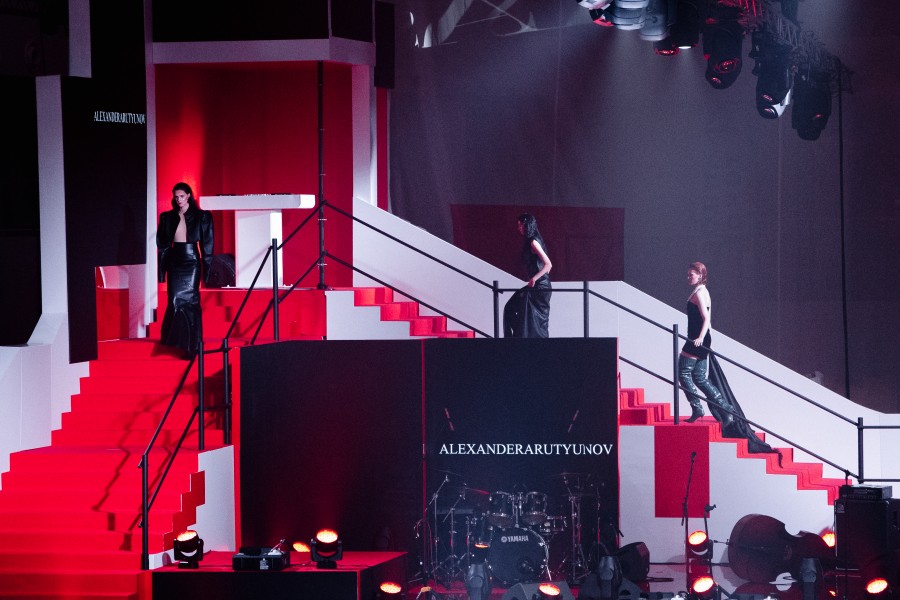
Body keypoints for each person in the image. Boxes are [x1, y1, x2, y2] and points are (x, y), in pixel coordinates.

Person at [156, 182, 213, 359]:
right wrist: (161, 272)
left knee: (191, 301)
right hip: (175, 261)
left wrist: (207, 272)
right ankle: (179, 341)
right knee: (174, 300)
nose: (179, 199)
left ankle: (192, 346)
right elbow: (163, 246)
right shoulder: (167, 217)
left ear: (188, 195)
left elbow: (208, 245)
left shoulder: (202, 216)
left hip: (191, 261)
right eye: (176, 197)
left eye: (182, 196)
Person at [679, 262, 733, 424]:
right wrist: (707, 338)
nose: (688, 277)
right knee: (699, 377)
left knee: (683, 373)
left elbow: (706, 317)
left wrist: (701, 338)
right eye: (688, 274)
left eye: (691, 274)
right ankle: (725, 408)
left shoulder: (699, 293)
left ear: (700, 275)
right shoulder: (702, 291)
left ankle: (698, 408)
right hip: (701, 338)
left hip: (697, 339)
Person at [503, 213, 552, 338]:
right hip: (537, 286)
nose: (518, 228)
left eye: (520, 225)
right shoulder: (530, 241)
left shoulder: (533, 242)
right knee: (512, 308)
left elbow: (548, 265)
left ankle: (520, 338)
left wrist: (534, 279)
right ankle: (518, 338)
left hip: (540, 287)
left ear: (526, 225)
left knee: (520, 311)